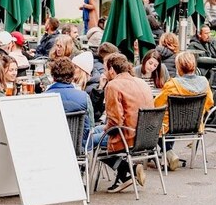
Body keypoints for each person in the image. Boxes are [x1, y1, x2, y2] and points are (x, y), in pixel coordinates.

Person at [93, 53, 154, 193]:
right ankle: (124, 174)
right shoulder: (141, 82)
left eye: (105, 69)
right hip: (146, 136)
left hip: (126, 137)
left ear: (112, 70)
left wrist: (105, 130)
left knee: (88, 140)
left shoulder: (113, 85)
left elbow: (115, 122)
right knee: (95, 130)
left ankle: (127, 170)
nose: (104, 73)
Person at [154, 51, 214, 171]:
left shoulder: (172, 84)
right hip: (195, 125)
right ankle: (167, 154)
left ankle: (167, 152)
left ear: (178, 67)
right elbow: (209, 103)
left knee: (156, 122)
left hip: (171, 126)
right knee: (172, 120)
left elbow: (157, 104)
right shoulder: (204, 82)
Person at [46, 57, 94, 151]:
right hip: (79, 148)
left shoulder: (45, 98)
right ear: (72, 76)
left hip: (52, 147)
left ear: (53, 76)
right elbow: (91, 126)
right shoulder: (84, 97)